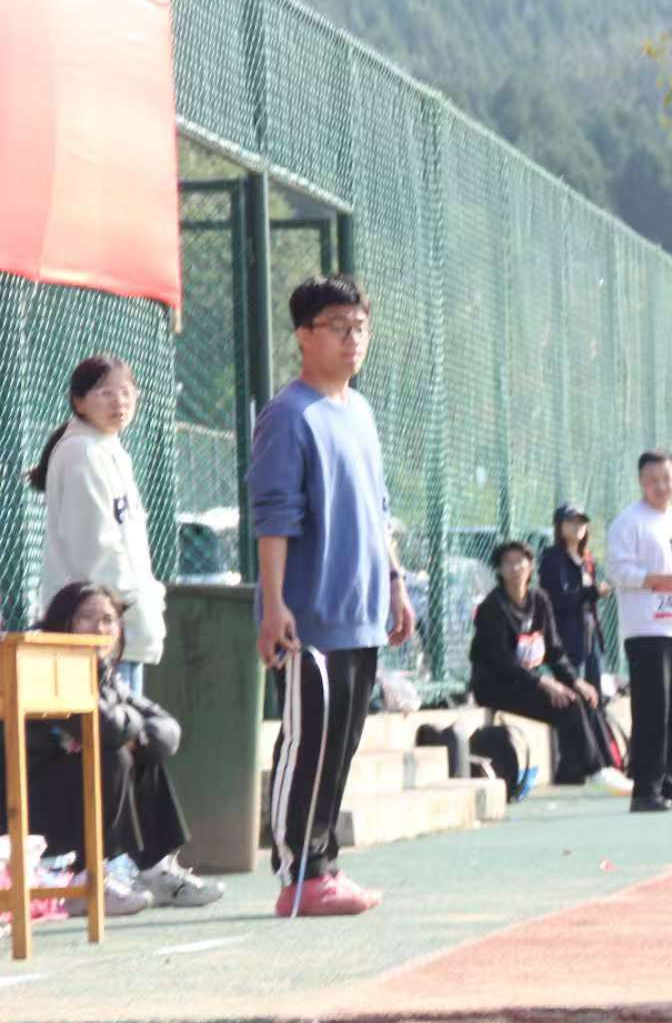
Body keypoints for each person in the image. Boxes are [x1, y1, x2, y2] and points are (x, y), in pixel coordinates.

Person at [250, 275, 415, 918]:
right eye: (338, 327)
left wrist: (395, 583)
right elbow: (274, 517)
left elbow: (379, 510)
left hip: (363, 611)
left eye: (360, 328)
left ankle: (324, 865)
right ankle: (298, 875)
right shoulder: (288, 415)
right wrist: (274, 604)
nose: (353, 340)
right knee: (308, 743)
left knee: (341, 745)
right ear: (303, 335)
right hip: (309, 615)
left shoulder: (361, 412)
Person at [0, 583, 222, 914]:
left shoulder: (103, 672)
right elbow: (107, 728)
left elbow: (168, 731)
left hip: (62, 796)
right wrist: (131, 732)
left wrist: (136, 736)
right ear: (62, 622)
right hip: (20, 802)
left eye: (108, 619)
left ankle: (155, 870)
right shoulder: (43, 665)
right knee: (114, 755)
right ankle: (84, 879)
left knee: (142, 754)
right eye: (86, 617)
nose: (100, 628)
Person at [29, 354, 165, 693]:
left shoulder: (107, 448)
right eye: (105, 393)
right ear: (79, 402)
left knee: (125, 720)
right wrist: (132, 602)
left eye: (126, 391)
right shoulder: (82, 452)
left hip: (119, 628)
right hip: (96, 632)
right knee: (110, 724)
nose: (119, 401)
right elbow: (94, 551)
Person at [469, 540, 625, 792]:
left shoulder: (539, 600)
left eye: (520, 562)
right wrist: (544, 683)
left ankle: (580, 773)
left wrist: (575, 681)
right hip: (496, 686)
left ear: (530, 566)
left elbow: (554, 651)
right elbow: (502, 662)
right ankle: (596, 770)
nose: (515, 568)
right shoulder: (492, 608)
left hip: (527, 682)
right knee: (568, 704)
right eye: (508, 563)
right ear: (499, 570)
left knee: (584, 697)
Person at [607, 450, 672, 814]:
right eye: (653, 480)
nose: (661, 487)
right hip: (646, 628)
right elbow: (619, 572)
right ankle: (645, 788)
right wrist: (663, 581)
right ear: (641, 482)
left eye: (667, 479)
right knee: (652, 710)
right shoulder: (628, 522)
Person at [539, 502, 612, 692]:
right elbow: (557, 600)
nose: (577, 526)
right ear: (559, 526)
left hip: (589, 632)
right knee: (574, 690)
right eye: (571, 521)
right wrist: (593, 592)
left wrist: (596, 592)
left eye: (581, 522)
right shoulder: (553, 558)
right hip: (566, 635)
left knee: (595, 690)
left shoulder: (586, 559)